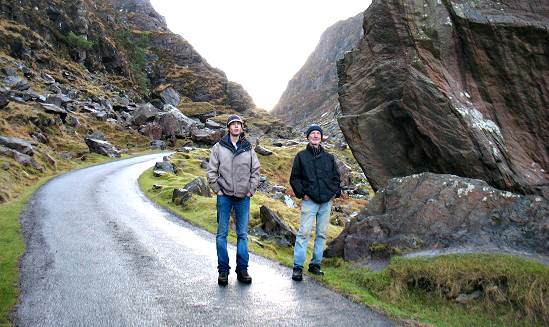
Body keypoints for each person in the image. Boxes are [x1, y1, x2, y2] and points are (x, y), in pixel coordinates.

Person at [207, 114, 260, 286]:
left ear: (242, 128)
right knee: (221, 234)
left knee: (242, 235)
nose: (236, 127)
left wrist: (250, 191)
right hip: (224, 197)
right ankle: (223, 271)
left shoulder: (248, 148)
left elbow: (256, 171)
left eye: (239, 124)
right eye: (233, 124)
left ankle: (242, 270)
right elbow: (212, 171)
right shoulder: (218, 147)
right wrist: (218, 191)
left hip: (243, 198)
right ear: (228, 127)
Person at [289, 124, 341, 281]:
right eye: (313, 134)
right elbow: (295, 178)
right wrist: (302, 194)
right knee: (303, 233)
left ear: (321, 137)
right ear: (308, 137)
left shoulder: (329, 158)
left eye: (318, 133)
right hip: (309, 201)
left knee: (321, 234)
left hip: (326, 202)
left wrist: (334, 193)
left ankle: (315, 265)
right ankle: (298, 267)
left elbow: (336, 178)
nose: (316, 136)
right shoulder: (301, 156)